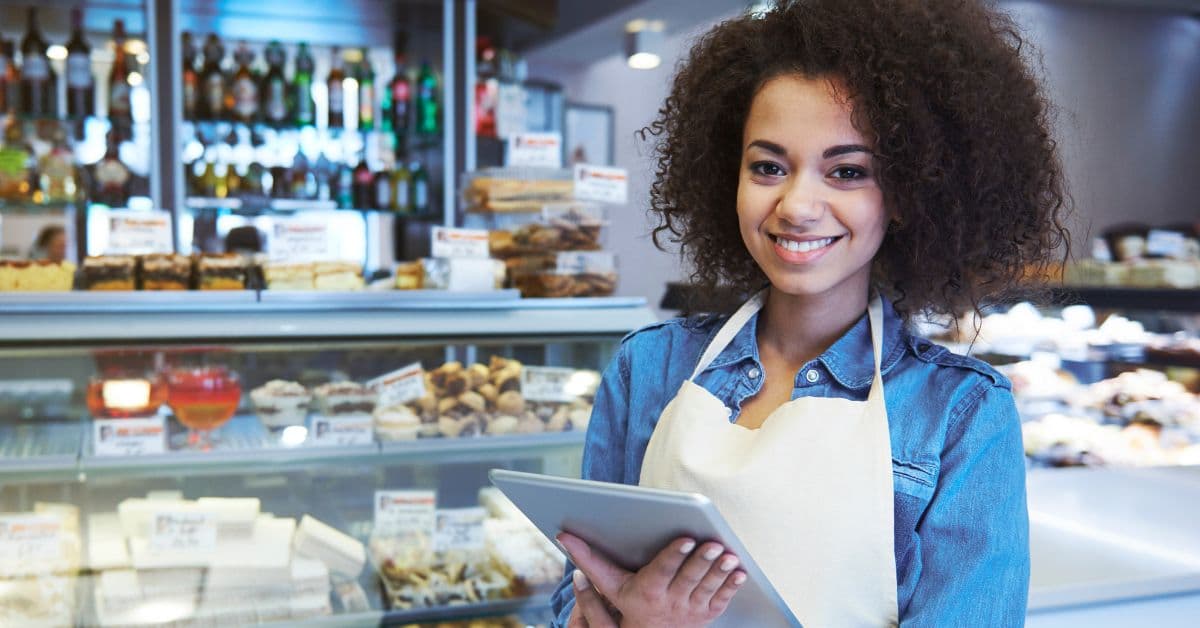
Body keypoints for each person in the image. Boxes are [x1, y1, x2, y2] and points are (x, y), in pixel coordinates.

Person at [551, 1, 1069, 626]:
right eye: (768, 167)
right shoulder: (649, 368)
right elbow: (575, 596)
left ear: (907, 195)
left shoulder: (960, 416)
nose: (797, 206)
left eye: (846, 172)